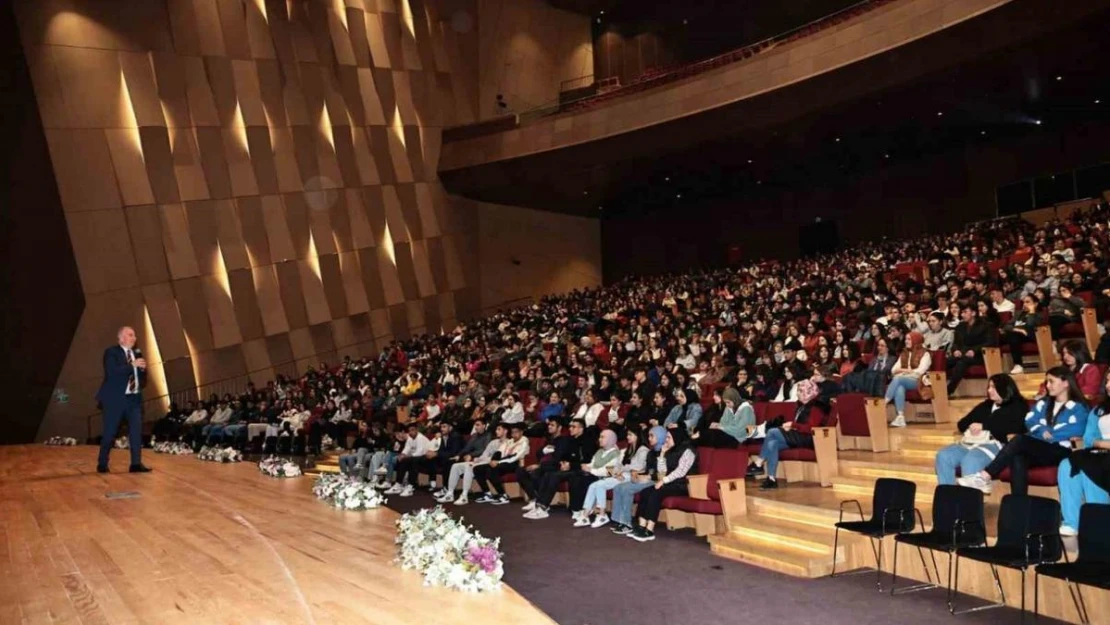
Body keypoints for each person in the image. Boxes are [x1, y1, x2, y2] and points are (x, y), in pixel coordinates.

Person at [958, 366, 1088, 495]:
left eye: (1051, 381)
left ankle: (985, 475)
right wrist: (1042, 431)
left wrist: (1049, 433)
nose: (1047, 385)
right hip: (1040, 448)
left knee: (1020, 439)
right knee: (1017, 458)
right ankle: (1019, 506)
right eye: (1046, 382)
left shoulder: (1078, 407)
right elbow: (1030, 420)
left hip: (1061, 450)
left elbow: (1074, 429)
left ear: (1066, 383)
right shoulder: (1044, 403)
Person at [934, 374, 1027, 485]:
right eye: (989, 387)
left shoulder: (1018, 405)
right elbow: (962, 424)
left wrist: (984, 426)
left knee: (971, 459)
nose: (989, 390)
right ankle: (947, 499)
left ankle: (970, 501)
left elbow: (1016, 428)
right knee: (943, 456)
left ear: (1004, 388)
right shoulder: (986, 405)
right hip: (973, 443)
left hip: (999, 445)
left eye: (993, 387)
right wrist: (973, 426)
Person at [747, 379, 832, 490]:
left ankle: (758, 463)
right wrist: (790, 426)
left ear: (810, 393)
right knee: (773, 443)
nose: (798, 394)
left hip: (810, 438)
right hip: (798, 435)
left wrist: (793, 425)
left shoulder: (817, 407)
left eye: (801, 391)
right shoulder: (801, 405)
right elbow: (797, 425)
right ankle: (771, 479)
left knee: (772, 432)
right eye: (799, 391)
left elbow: (811, 428)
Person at [1057, 368, 1110, 535]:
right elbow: (1088, 439)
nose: (1108, 385)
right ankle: (1072, 522)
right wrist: (1100, 443)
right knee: (1068, 464)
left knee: (1091, 465)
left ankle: (1099, 522)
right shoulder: (1100, 409)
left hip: (1103, 456)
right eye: (1107, 381)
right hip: (1100, 452)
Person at [96, 326, 151, 474]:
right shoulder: (111, 353)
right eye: (131, 335)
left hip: (134, 400)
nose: (134, 338)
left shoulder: (137, 354)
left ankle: (135, 464)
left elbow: (143, 381)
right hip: (115, 400)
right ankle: (102, 463)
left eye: (134, 335)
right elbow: (112, 372)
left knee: (136, 432)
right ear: (121, 338)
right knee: (110, 432)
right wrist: (131, 366)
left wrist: (143, 371)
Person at [629, 428, 698, 542]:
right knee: (646, 491)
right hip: (669, 482)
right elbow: (662, 472)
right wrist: (662, 454)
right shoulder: (670, 450)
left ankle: (649, 529)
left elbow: (681, 472)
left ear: (676, 438)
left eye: (668, 437)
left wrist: (663, 481)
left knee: (656, 493)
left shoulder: (688, 451)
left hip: (683, 485)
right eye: (666, 437)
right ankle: (641, 525)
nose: (666, 440)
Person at [524, 418, 598, 519]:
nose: (570, 429)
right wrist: (563, 463)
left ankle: (543, 507)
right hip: (570, 468)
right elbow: (565, 456)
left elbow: (587, 462)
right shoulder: (571, 440)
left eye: (573, 427)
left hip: (582, 470)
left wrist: (570, 465)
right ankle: (540, 505)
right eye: (570, 426)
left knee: (555, 475)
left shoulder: (588, 442)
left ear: (581, 429)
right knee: (548, 474)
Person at [580, 428, 650, 528]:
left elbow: (638, 467)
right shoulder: (624, 450)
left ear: (637, 436)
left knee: (599, 484)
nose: (627, 437)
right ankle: (585, 515)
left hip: (632, 476)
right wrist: (617, 472)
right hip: (620, 475)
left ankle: (602, 514)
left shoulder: (642, 450)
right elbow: (616, 466)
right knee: (594, 485)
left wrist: (621, 470)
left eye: (630, 434)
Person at [610, 426, 666, 535]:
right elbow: (648, 469)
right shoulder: (651, 452)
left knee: (626, 489)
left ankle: (627, 523)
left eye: (652, 436)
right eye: (649, 435)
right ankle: (619, 520)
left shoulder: (658, 451)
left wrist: (646, 475)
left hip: (655, 480)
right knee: (617, 487)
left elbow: (661, 472)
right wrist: (640, 474)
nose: (649, 438)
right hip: (640, 477)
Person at [436, 422, 503, 505]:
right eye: (475, 425)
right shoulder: (492, 441)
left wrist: (474, 457)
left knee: (469, 466)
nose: (496, 431)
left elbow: (494, 456)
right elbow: (483, 452)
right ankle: (450, 493)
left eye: (499, 429)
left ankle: (464, 496)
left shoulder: (502, 441)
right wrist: (463, 456)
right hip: (479, 460)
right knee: (455, 466)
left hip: (488, 462)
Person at [568, 430, 623, 527]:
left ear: (610, 439)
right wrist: (586, 466)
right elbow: (593, 464)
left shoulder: (616, 454)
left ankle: (600, 515)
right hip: (599, 477)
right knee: (588, 483)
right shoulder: (599, 451)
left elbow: (608, 471)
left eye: (602, 437)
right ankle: (585, 516)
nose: (599, 439)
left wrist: (590, 470)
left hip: (612, 478)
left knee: (594, 484)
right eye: (600, 437)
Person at [472, 423, 530, 504]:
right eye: (512, 432)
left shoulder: (524, 441)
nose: (514, 434)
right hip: (504, 462)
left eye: (516, 432)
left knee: (492, 469)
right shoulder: (510, 441)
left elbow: (514, 457)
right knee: (477, 468)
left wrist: (498, 462)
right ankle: (487, 494)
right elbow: (499, 452)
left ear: (521, 432)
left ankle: (503, 495)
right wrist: (493, 460)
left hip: (516, 463)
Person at [885, 331, 933, 428]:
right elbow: (893, 370)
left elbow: (920, 371)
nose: (906, 341)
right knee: (900, 387)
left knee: (898, 379)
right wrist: (906, 370)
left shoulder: (925, 353)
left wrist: (903, 372)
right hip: (905, 379)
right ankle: (900, 417)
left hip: (920, 381)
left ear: (916, 340)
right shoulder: (904, 353)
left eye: (909, 339)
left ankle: (884, 403)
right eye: (906, 339)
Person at [947, 304, 995, 395]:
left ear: (973, 313)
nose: (962, 315)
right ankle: (935, 387)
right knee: (946, 361)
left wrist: (975, 350)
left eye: (965, 312)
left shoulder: (986, 325)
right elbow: (956, 343)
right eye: (961, 312)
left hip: (980, 355)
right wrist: (956, 350)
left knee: (961, 362)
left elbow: (990, 342)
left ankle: (948, 390)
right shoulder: (960, 326)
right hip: (963, 354)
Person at [386, 424, 431, 497]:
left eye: (413, 430)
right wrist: (402, 455)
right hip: (415, 457)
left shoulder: (420, 438)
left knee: (413, 460)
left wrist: (408, 456)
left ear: (417, 430)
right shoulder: (410, 438)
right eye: (409, 431)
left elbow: (420, 452)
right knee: (403, 460)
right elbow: (407, 448)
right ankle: (398, 484)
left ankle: (411, 486)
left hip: (426, 458)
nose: (411, 432)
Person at [1003, 295, 1039, 374]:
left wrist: (1032, 312)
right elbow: (1007, 325)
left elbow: (1030, 325)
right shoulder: (1019, 314)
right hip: (1016, 334)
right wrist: (1017, 329)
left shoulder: (1038, 314)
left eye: (1028, 302)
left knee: (1013, 335)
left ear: (1035, 304)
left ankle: (1018, 364)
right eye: (1023, 302)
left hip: (1029, 335)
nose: (1024, 304)